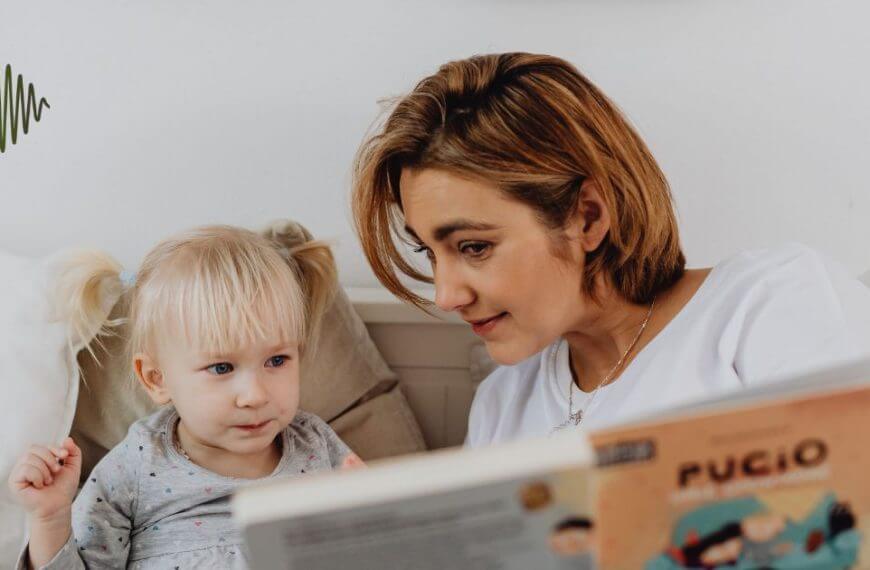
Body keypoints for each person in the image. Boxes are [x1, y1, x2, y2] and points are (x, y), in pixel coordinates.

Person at [351, 52, 870, 447]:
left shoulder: (768, 305)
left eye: (474, 247)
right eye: (429, 253)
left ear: (588, 216)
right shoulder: (502, 406)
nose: (446, 295)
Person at [8, 225, 363, 569]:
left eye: (277, 360)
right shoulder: (137, 465)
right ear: (156, 378)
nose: (255, 395)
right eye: (222, 368)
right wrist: (51, 519)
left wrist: (368, 509)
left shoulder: (316, 444)